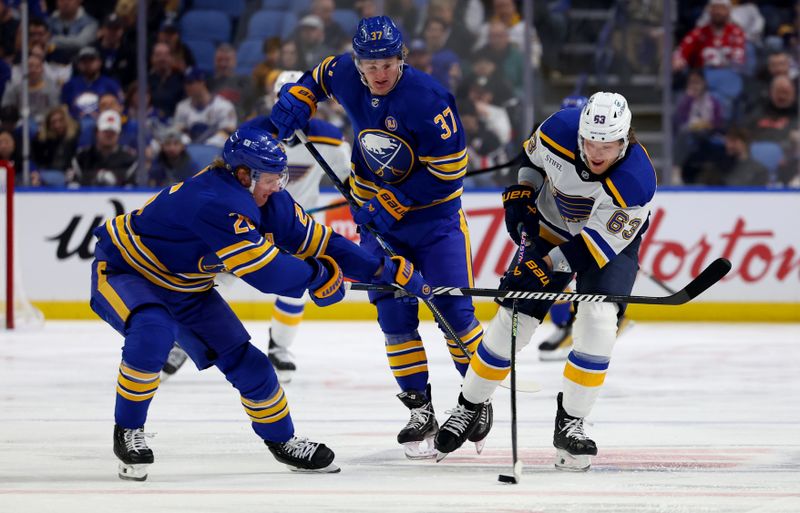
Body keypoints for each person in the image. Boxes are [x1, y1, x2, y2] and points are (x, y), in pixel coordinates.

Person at [91, 127, 431, 480]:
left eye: (280, 176)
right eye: (269, 178)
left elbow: (324, 242)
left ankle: (283, 441)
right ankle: (128, 430)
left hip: (186, 287)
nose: (278, 186)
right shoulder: (214, 201)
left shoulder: (270, 200)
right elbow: (266, 272)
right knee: (153, 332)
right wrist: (318, 276)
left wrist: (384, 269)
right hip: (125, 269)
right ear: (242, 175)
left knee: (248, 363)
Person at [269, 15, 491, 459]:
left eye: (387, 63)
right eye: (370, 65)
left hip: (434, 222)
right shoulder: (346, 73)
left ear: (401, 57)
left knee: (452, 309)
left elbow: (450, 175)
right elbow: (317, 77)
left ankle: (476, 402)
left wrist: (396, 200)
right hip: (376, 221)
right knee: (393, 315)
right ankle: (419, 408)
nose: (379, 73)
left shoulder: (429, 100)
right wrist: (299, 97)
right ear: (359, 62)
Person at [434, 92, 656, 472]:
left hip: (605, 245)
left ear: (626, 140)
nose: (597, 153)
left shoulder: (636, 183)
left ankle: (571, 421)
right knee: (514, 317)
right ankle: (469, 405)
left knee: (599, 321)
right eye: (590, 143)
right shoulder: (557, 128)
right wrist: (522, 193)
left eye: (608, 145)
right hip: (552, 225)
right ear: (580, 134)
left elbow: (591, 249)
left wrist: (545, 265)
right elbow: (533, 161)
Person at [161, 70, 352, 383]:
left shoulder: (330, 140)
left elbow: (349, 182)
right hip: (251, 220)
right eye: (284, 100)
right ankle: (183, 338)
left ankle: (280, 346)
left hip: (297, 226)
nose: (291, 109)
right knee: (218, 277)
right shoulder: (252, 133)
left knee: (296, 290)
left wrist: (362, 199)